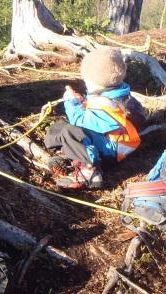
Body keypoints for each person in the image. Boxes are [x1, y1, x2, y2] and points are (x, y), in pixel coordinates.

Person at [44, 47, 144, 189]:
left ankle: (89, 172)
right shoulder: (116, 93)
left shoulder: (106, 104)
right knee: (59, 127)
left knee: (70, 131)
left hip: (113, 151)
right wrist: (83, 102)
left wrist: (71, 103)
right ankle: (71, 157)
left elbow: (79, 121)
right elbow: (97, 116)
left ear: (93, 82)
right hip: (114, 140)